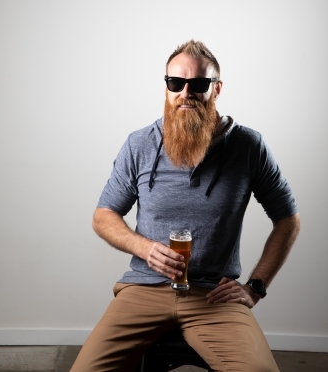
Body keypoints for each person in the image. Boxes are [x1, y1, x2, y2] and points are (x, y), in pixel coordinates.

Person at [70, 40, 300, 372]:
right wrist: (145, 248)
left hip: (213, 296)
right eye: (176, 83)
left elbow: (288, 220)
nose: (186, 93)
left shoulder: (248, 146)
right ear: (166, 88)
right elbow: (103, 214)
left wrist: (256, 287)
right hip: (144, 289)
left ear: (216, 89)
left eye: (199, 84)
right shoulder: (139, 143)